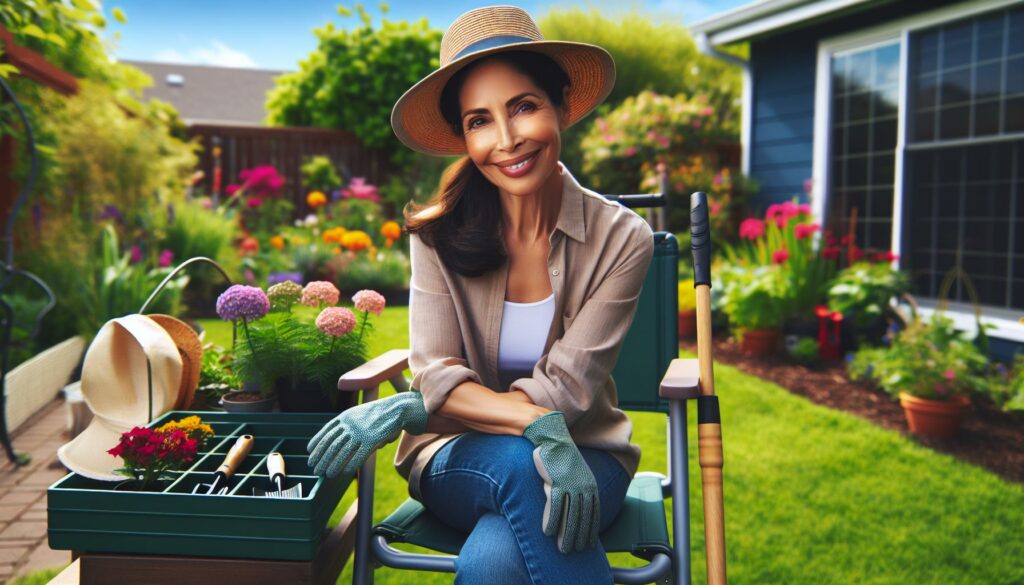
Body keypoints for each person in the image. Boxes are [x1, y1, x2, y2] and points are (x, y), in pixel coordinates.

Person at [307, 6, 654, 584]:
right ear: (464, 137)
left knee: (493, 564)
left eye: (523, 107)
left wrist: (416, 405)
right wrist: (460, 406)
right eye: (479, 121)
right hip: (454, 459)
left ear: (561, 105)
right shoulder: (437, 236)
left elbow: (562, 396)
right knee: (521, 466)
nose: (507, 139)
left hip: (585, 456)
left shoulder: (622, 239)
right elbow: (438, 370)